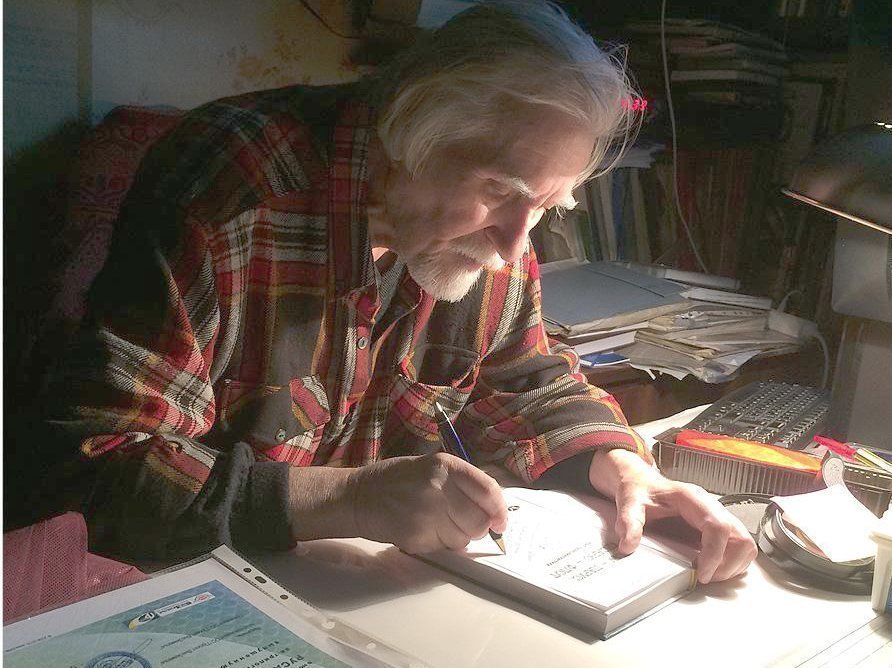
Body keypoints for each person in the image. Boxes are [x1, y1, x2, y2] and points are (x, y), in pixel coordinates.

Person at [41, 0, 756, 582]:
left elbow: (525, 380)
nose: (516, 246)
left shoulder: (491, 235)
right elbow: (93, 466)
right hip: (195, 595)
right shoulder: (229, 191)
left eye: (545, 206)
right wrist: (352, 497)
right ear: (407, 133)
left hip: (373, 594)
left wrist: (622, 466)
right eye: (498, 191)